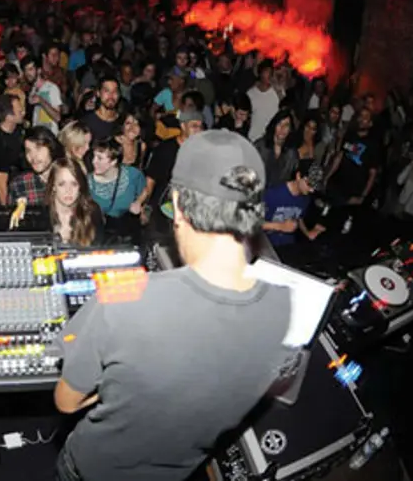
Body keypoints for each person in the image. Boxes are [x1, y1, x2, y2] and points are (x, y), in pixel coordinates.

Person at [54, 130, 296, 481]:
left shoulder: (122, 297)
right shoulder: (284, 312)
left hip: (96, 469)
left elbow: (66, 401)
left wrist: (115, 387)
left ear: (178, 206)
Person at [263, 165, 327, 247]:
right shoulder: (272, 193)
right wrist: (280, 226)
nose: (311, 190)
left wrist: (307, 232)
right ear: (298, 176)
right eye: (309, 184)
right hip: (267, 244)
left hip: (288, 245)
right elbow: (253, 223)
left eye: (315, 187)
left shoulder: (305, 198)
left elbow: (299, 218)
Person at [47, 158, 103, 246]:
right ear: (53, 186)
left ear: (80, 186)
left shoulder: (92, 212)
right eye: (62, 184)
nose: (68, 190)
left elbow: (99, 249)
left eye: (74, 184)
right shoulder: (41, 216)